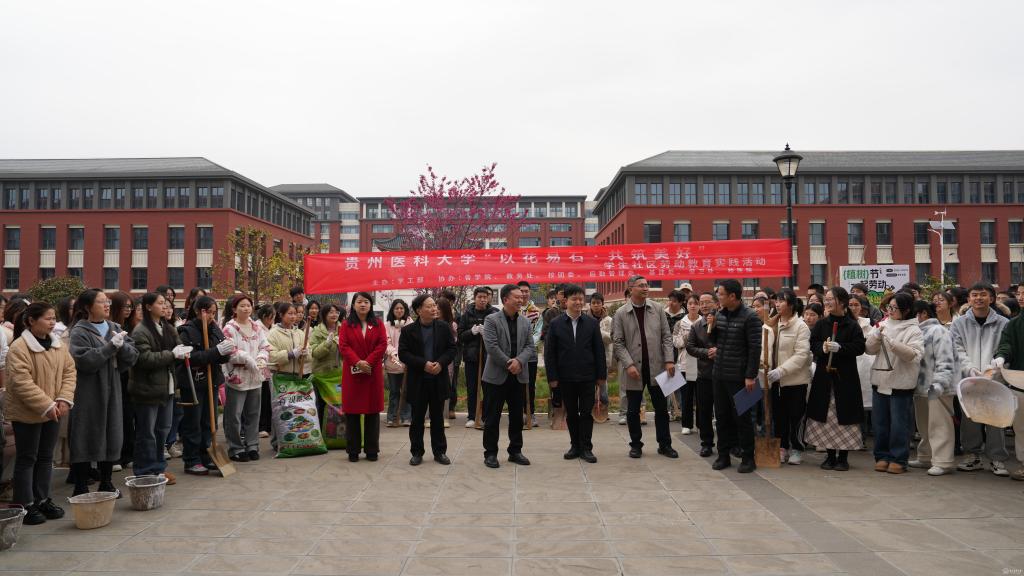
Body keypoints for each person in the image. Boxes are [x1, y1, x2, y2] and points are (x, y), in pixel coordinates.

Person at [6, 302, 76, 524]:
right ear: (31, 321)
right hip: (28, 412)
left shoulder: (58, 345)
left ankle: (42, 499)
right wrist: (46, 405)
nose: (52, 322)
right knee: (27, 457)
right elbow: (21, 382)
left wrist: (64, 399)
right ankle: (24, 504)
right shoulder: (19, 347)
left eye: (54, 318)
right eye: (47, 318)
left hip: (54, 410)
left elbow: (69, 372)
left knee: (46, 457)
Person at [68, 289, 139, 495]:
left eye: (107, 301)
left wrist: (122, 347)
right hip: (88, 391)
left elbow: (133, 356)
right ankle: (81, 485)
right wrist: (109, 348)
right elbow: (83, 360)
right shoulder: (79, 331)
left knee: (112, 432)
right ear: (87, 307)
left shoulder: (114, 327)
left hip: (113, 388)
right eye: (101, 302)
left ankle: (106, 482)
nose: (107, 305)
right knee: (85, 433)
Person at [612, 275, 678, 459]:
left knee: (661, 409)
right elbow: (618, 342)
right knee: (633, 410)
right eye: (641, 285)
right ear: (630, 288)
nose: (645, 288)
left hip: (658, 366)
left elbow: (667, 336)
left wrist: (669, 360)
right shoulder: (621, 313)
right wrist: (628, 364)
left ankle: (665, 445)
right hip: (634, 370)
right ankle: (636, 445)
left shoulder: (657, 309)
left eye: (646, 285)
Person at [805, 287, 866, 471]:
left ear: (842, 301)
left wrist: (841, 348)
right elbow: (813, 343)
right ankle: (830, 456)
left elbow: (859, 347)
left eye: (831, 299)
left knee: (844, 416)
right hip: (824, 377)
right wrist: (822, 348)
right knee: (826, 416)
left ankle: (843, 458)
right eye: (827, 299)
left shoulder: (852, 325)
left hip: (845, 378)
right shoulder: (822, 324)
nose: (828, 302)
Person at [951, 282, 1010, 476]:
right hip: (969, 379)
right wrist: (970, 369)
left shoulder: (1003, 323)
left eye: (983, 295)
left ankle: (997, 458)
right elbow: (957, 349)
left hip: (995, 379)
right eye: (974, 295)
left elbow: (1005, 348)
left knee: (996, 419)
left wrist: (992, 370)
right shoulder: (959, 323)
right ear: (968, 299)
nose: (978, 298)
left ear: (991, 298)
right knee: (970, 418)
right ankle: (972, 456)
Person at [129, 292, 187, 484]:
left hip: (167, 387)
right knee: (147, 432)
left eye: (166, 304)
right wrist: (172, 355)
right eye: (160, 303)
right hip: (147, 389)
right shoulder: (141, 331)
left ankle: (159, 469)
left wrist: (183, 352)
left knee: (163, 429)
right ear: (148, 307)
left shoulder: (168, 328)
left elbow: (178, 347)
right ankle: (145, 471)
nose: (165, 307)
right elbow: (144, 359)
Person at [544, 284, 606, 463]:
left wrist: (601, 376)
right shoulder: (556, 324)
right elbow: (550, 353)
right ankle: (574, 446)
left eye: (581, 299)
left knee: (586, 413)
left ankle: (586, 448)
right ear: (566, 301)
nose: (578, 302)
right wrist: (552, 378)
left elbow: (599, 351)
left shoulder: (591, 324)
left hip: (588, 376)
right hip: (565, 377)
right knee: (571, 413)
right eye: (574, 299)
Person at [706, 279, 762, 473]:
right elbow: (713, 341)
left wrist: (750, 376)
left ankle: (748, 458)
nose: (718, 297)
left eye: (721, 294)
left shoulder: (750, 317)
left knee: (743, 419)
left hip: (740, 377)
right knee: (722, 417)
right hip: (719, 374)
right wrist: (712, 327)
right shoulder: (720, 314)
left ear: (732, 296)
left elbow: (755, 349)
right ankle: (723, 456)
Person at [865, 291, 924, 474]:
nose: (890, 311)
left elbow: (914, 355)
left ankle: (899, 458)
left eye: (894, 308)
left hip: (900, 383)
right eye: (889, 307)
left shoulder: (913, 329)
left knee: (899, 424)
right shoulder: (882, 324)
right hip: (880, 380)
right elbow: (869, 349)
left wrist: (893, 344)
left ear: (906, 310)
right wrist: (876, 337)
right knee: (880, 423)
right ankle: (882, 456)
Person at [175, 296, 234, 476]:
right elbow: (190, 358)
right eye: (208, 312)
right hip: (193, 383)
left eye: (214, 313)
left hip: (212, 380)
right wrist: (215, 352)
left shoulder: (214, 328)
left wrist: (225, 351)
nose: (211, 316)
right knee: (193, 422)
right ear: (198, 311)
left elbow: (222, 355)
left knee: (209, 421)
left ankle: (206, 454)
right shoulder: (186, 331)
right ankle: (191, 459)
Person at [480, 284, 536, 468]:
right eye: (517, 297)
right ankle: (490, 453)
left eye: (522, 297)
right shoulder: (491, 320)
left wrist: (519, 361)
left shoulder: (525, 322)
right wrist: (509, 363)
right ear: (505, 299)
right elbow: (491, 346)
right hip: (496, 376)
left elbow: (530, 346)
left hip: (518, 375)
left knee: (517, 417)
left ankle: (515, 451)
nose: (521, 299)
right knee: (492, 417)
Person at [399, 295, 457, 466]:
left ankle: (440, 452)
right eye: (429, 306)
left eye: (435, 306)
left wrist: (441, 363)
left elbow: (452, 349)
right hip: (418, 380)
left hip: (438, 379)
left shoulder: (444, 327)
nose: (434, 309)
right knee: (417, 419)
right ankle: (417, 452)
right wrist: (423, 364)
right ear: (419, 310)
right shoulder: (408, 330)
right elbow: (403, 353)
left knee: (438, 419)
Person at [909, 300, 957, 476]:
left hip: (937, 387)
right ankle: (926, 456)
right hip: (920, 386)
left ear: (923, 313)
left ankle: (943, 461)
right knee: (924, 424)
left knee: (940, 424)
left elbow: (946, 359)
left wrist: (940, 383)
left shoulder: (938, 331)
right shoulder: (917, 331)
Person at [763, 289, 811, 465]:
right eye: (776, 301)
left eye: (782, 301)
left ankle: (797, 448)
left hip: (795, 380)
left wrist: (781, 370)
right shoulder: (770, 325)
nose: (777, 304)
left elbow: (801, 355)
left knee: (796, 416)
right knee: (779, 416)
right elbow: (764, 349)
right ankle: (782, 447)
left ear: (791, 305)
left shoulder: (800, 326)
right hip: (774, 380)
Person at [221, 295, 271, 463]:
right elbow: (229, 350)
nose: (246, 308)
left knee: (253, 413)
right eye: (242, 306)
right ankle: (236, 447)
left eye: (248, 305)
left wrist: (261, 358)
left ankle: (252, 445)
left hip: (255, 376)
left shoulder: (256, 326)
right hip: (238, 376)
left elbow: (265, 346)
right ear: (234, 309)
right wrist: (246, 358)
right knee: (234, 415)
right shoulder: (230, 328)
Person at [339, 292, 386, 462]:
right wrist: (358, 362)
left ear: (371, 305)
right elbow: (343, 346)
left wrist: (368, 362)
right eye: (359, 302)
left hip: (372, 373)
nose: (363, 304)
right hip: (353, 373)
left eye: (366, 301)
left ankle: (372, 450)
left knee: (372, 413)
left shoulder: (378, 324)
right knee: (352, 413)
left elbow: (382, 344)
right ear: (353, 305)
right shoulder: (346, 325)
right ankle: (353, 450)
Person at [994, 284, 1024, 480]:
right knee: (1021, 427)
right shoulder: (1014, 324)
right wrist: (1001, 356)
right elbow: (1006, 344)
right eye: (1019, 293)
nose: (1020, 297)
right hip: (1019, 380)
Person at [457, 287, 498, 428]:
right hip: (471, 357)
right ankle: (472, 416)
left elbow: (499, 334)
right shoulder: (466, 315)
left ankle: (486, 416)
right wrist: (472, 332)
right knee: (472, 388)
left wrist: (487, 333)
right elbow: (460, 336)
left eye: (485, 297)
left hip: (489, 358)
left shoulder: (494, 314)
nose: (482, 300)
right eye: (479, 297)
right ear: (474, 298)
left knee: (488, 388)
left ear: (488, 298)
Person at [685, 292, 720, 457]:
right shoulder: (697, 326)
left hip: (723, 374)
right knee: (704, 411)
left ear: (716, 304)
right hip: (704, 374)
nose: (704, 306)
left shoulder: (724, 322)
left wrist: (719, 350)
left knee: (724, 411)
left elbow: (732, 342)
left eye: (708, 302)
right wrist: (706, 353)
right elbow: (690, 347)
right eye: (702, 302)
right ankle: (706, 443)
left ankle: (729, 443)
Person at [108, 291, 136, 473]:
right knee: (115, 417)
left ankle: (128, 453)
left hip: (128, 376)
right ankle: (115, 456)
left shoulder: (130, 327)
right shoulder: (111, 327)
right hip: (114, 375)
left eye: (130, 306)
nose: (128, 310)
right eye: (125, 306)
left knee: (128, 415)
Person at [672, 293, 702, 435]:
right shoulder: (680, 323)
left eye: (696, 303)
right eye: (690, 303)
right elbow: (676, 342)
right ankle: (686, 424)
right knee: (686, 396)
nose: (693, 306)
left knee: (701, 396)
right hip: (685, 363)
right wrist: (687, 338)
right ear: (686, 305)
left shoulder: (704, 322)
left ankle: (701, 424)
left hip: (701, 363)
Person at [384, 299, 412, 427]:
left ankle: (406, 417)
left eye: (401, 308)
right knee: (394, 391)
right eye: (396, 308)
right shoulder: (387, 325)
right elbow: (386, 342)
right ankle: (392, 417)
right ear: (392, 310)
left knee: (406, 391)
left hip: (407, 363)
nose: (399, 310)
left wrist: (406, 356)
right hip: (392, 363)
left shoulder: (410, 324)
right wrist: (394, 354)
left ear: (405, 310)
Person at [518, 282, 543, 428]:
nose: (524, 294)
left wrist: (526, 346)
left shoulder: (536, 311)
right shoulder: (513, 309)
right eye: (521, 291)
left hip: (530, 354)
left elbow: (538, 333)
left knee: (530, 384)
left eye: (526, 291)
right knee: (516, 384)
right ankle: (518, 412)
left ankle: (530, 412)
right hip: (514, 354)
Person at [586, 292, 612, 415]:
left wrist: (597, 331)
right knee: (589, 385)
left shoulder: (609, 320)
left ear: (602, 304)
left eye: (598, 303)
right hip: (588, 357)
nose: (596, 305)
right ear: (590, 304)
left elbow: (611, 338)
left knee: (603, 384)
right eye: (593, 303)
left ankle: (604, 408)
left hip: (603, 356)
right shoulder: (584, 319)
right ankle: (591, 409)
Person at [665, 290, 688, 423]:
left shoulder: (685, 317)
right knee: (665, 382)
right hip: (664, 351)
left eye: (674, 301)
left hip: (680, 352)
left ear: (681, 302)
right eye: (670, 300)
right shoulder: (663, 314)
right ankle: (667, 410)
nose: (671, 303)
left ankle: (677, 410)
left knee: (678, 382)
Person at [435, 297, 457, 428]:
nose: (436, 310)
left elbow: (453, 344)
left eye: (439, 308)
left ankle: (444, 416)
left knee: (445, 386)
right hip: (431, 360)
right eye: (435, 307)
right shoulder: (430, 323)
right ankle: (429, 416)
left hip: (446, 361)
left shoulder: (452, 325)